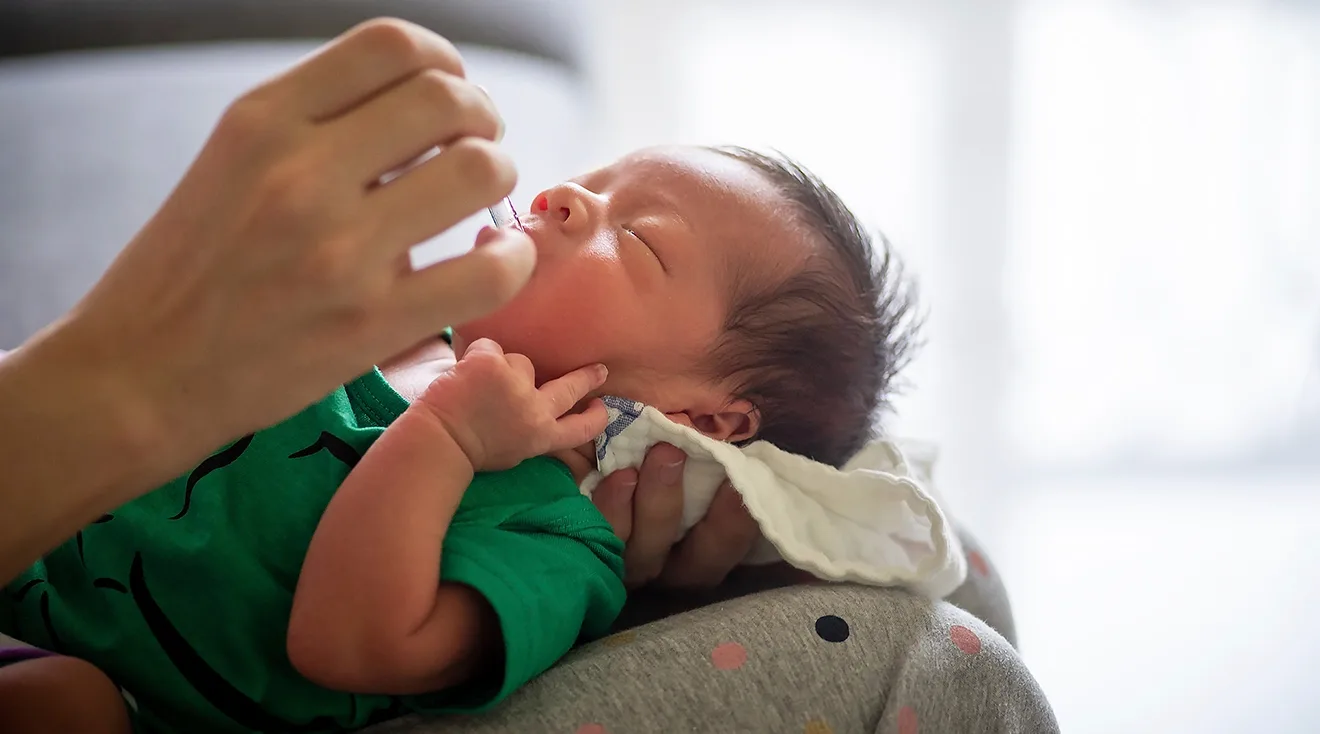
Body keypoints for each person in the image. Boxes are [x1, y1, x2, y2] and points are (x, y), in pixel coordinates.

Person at [0, 18, 919, 734]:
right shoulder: (408, 333)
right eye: (593, 180)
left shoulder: (559, 535)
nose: (565, 197)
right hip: (36, 507)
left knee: (67, 707)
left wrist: (443, 436)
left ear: (704, 420)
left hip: (98, 672)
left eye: (635, 238)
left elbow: (345, 644)